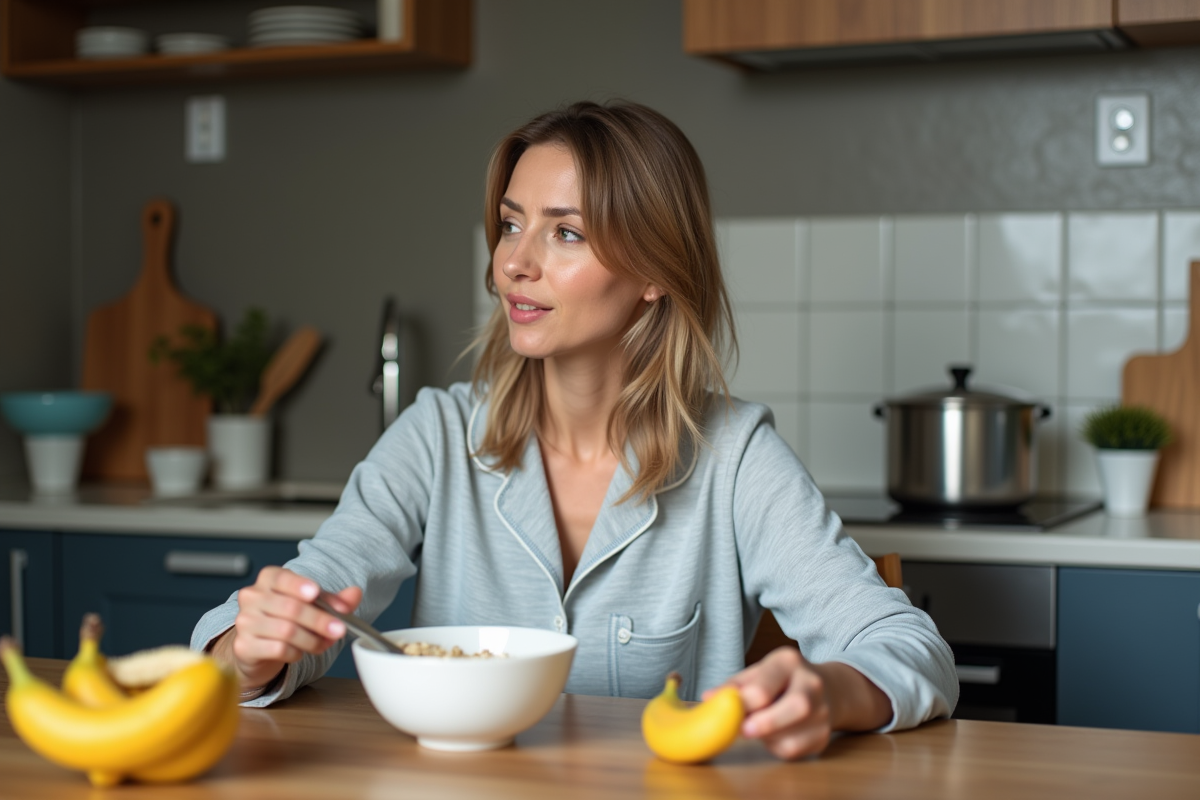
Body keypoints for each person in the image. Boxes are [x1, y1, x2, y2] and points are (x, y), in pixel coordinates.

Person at [194, 100, 957, 761]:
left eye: (566, 234)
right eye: (510, 225)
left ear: (655, 271)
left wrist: (829, 690)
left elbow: (910, 649)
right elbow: (305, 596)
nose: (512, 265)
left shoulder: (735, 458)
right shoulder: (435, 435)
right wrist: (251, 652)